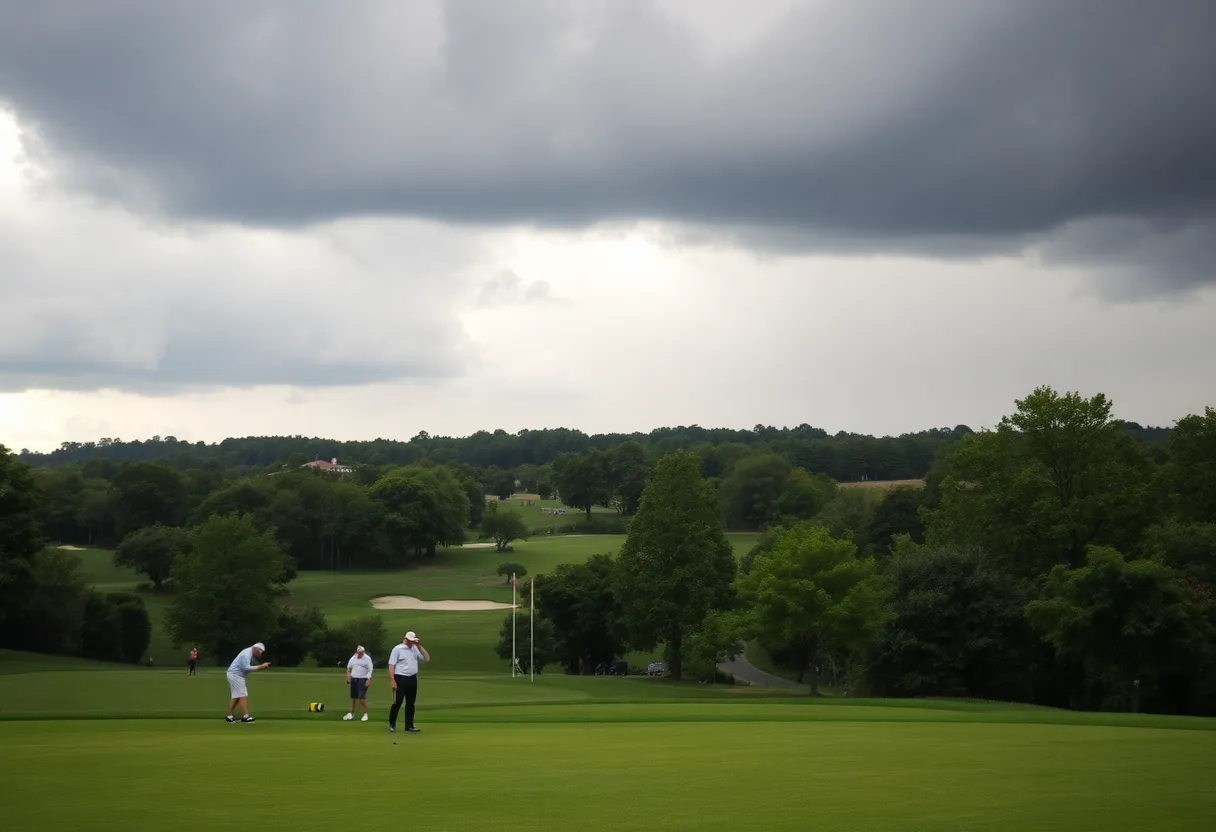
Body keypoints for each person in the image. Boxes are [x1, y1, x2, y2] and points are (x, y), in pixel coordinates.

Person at [387, 631, 430, 733]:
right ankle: (392, 723)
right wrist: (392, 680)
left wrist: (419, 646)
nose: (411, 643)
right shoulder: (397, 649)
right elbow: (391, 665)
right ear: (405, 639)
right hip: (400, 678)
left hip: (412, 678)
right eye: (410, 641)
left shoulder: (415, 648)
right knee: (397, 702)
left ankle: (409, 726)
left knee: (411, 703)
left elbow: (427, 658)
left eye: (413, 641)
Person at [225, 642, 270, 723]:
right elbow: (245, 668)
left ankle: (229, 716)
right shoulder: (246, 654)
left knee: (236, 696)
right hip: (235, 675)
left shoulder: (249, 653)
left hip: (235, 675)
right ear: (256, 649)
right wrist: (261, 666)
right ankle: (246, 716)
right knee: (243, 695)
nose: (260, 654)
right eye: (260, 652)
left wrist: (261, 667)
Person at [344, 645, 374, 722]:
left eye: (361, 653)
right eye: (358, 653)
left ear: (363, 652)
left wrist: (368, 680)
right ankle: (351, 713)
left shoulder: (367, 659)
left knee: (361, 698)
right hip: (354, 678)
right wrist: (348, 676)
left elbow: (370, 670)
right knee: (353, 698)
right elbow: (349, 668)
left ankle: (365, 714)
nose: (359, 654)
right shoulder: (353, 658)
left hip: (363, 679)